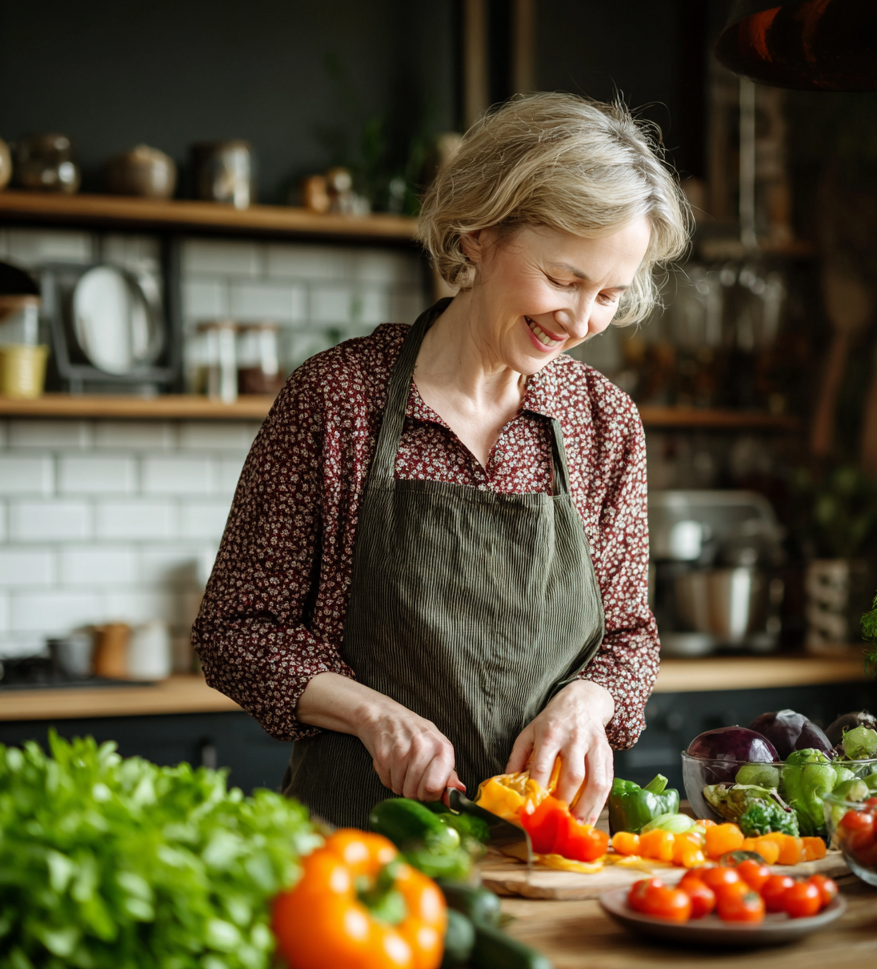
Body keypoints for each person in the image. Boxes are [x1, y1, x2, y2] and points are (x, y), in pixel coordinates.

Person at [192, 93, 690, 829]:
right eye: (563, 279)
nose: (581, 320)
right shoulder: (339, 399)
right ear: (481, 233)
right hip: (361, 848)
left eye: (609, 295)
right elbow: (236, 630)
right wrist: (370, 716)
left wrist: (589, 702)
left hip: (550, 848)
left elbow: (628, 638)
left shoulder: (602, 423)